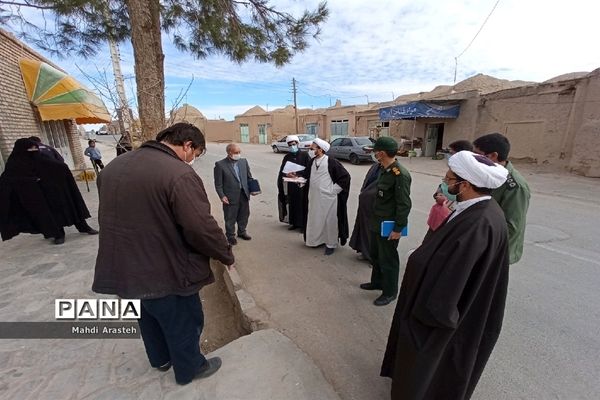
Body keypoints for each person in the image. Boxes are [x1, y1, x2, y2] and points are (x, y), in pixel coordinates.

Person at [92, 123, 234, 385]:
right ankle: (190, 368)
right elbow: (199, 227)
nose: (193, 160)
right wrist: (225, 253)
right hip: (165, 267)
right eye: (196, 154)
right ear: (187, 145)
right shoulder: (178, 174)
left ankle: (160, 359)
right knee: (183, 320)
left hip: (125, 266)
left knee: (148, 315)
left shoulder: (115, 166)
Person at [380, 150, 509, 400]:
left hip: (438, 315)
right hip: (444, 306)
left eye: (449, 179)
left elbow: (451, 279)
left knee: (429, 367)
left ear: (465, 184)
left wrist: (427, 316)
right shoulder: (474, 208)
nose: (445, 183)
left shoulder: (479, 222)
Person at [0, 138, 98, 245]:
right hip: (36, 195)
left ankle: (83, 227)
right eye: (32, 148)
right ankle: (58, 234)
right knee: (51, 214)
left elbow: (57, 165)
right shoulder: (14, 163)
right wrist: (31, 180)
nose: (35, 150)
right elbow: (9, 180)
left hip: (54, 190)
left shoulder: (40, 157)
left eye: (35, 148)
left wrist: (62, 173)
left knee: (71, 206)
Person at [359, 137, 411, 306]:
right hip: (377, 222)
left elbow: (404, 204)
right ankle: (377, 282)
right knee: (375, 255)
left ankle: (389, 292)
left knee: (388, 259)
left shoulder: (400, 174)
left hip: (389, 225)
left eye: (375, 151)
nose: (374, 154)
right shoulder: (384, 169)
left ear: (381, 153)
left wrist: (398, 228)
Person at [473, 132, 531, 264]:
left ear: (493, 156)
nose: (474, 159)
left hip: (495, 253)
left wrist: (484, 250)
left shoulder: (515, 187)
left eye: (477, 154)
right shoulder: (487, 174)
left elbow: (511, 228)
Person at [301, 138, 350, 255]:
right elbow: (305, 176)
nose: (310, 150)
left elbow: (345, 177)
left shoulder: (331, 162)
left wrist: (333, 191)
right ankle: (315, 241)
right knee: (315, 219)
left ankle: (330, 244)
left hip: (329, 199)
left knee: (330, 221)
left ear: (320, 150)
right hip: (314, 197)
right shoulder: (312, 162)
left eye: (312, 148)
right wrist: (297, 178)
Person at [214, 143, 254, 245]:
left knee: (244, 215)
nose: (238, 154)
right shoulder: (220, 165)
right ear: (229, 153)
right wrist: (222, 196)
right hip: (230, 196)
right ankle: (230, 235)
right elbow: (218, 184)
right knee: (230, 217)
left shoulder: (243, 162)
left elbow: (249, 178)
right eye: (236, 152)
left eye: (239, 152)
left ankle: (242, 232)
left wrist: (253, 189)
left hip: (244, 193)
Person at [277, 135, 311, 231]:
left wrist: (297, 173)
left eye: (294, 144)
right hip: (291, 184)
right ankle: (294, 223)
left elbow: (309, 170)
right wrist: (287, 174)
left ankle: (302, 225)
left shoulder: (304, 155)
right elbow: (282, 171)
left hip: (302, 185)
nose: (292, 146)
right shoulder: (287, 157)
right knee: (292, 203)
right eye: (290, 145)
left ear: (297, 144)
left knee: (302, 204)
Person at [349, 161, 380, 262]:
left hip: (378, 208)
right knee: (364, 230)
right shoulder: (376, 166)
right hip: (366, 205)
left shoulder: (393, 171)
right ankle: (365, 252)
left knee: (376, 234)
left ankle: (375, 258)